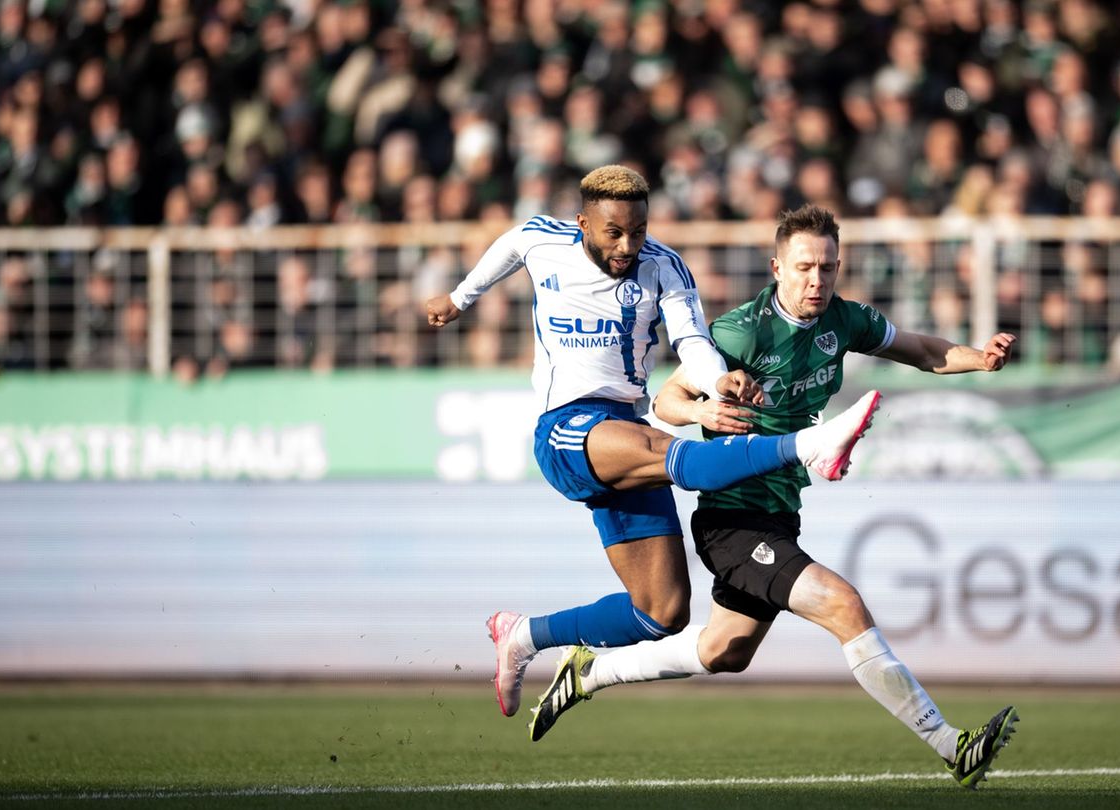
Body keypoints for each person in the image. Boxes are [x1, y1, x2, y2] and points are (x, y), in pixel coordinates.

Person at [525, 204, 1019, 789]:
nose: (817, 280)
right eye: (805, 267)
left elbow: (919, 350)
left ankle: (586, 675)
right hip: (732, 518)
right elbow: (665, 402)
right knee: (843, 604)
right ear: (777, 266)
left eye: (828, 268)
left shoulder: (845, 321)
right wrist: (704, 408)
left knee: (723, 651)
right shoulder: (741, 331)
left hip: (779, 514)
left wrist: (979, 359)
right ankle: (950, 745)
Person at [424, 168, 884, 718]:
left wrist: (718, 381)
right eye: (614, 232)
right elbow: (510, 246)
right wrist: (459, 297)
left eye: (638, 231)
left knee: (661, 612)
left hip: (623, 426)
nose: (627, 246)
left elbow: (691, 338)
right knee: (681, 457)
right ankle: (809, 445)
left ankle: (522, 635)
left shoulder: (664, 267)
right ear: (583, 223)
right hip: (568, 428)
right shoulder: (544, 240)